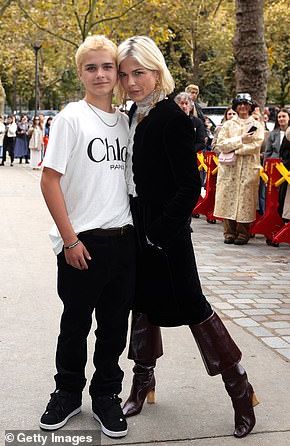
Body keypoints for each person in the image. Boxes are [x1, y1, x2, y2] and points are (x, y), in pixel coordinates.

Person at [117, 35, 258, 439]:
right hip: (138, 222)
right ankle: (142, 382)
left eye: (139, 73)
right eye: (125, 75)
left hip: (167, 228)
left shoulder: (172, 117)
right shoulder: (131, 115)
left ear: (157, 72)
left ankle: (240, 388)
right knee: (141, 305)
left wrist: (161, 230)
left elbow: (189, 185)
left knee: (194, 307)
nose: (131, 82)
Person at [39, 35, 136, 439]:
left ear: (117, 73)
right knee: (75, 324)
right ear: (80, 73)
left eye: (107, 67)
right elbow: (49, 181)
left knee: (114, 327)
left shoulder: (127, 122)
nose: (100, 74)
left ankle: (106, 395)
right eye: (91, 67)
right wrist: (70, 239)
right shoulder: (70, 118)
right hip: (83, 243)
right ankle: (66, 393)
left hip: (124, 240)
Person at [213, 93, 264, 245]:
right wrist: (240, 140)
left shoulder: (256, 125)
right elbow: (221, 144)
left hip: (249, 167)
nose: (243, 107)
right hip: (230, 168)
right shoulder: (228, 125)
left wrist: (236, 150)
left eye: (246, 104)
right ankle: (228, 232)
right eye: (240, 104)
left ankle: (243, 233)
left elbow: (256, 145)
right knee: (228, 197)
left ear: (250, 107)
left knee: (246, 200)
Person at [263, 108, 290, 216]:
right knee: (272, 194)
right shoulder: (272, 134)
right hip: (274, 167)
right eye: (279, 117)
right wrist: (265, 167)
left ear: (289, 118)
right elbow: (267, 152)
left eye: (284, 116)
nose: (281, 119)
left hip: (287, 168)